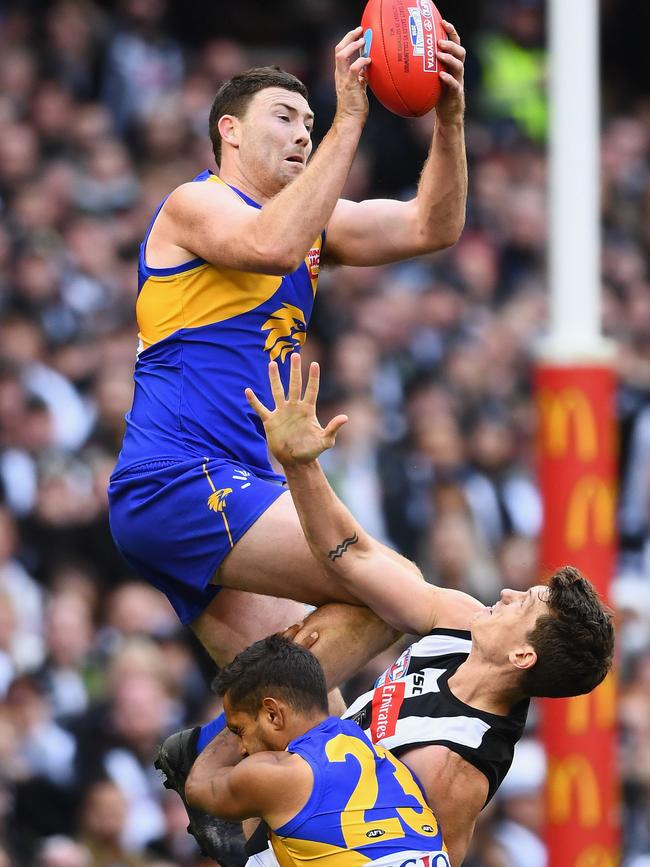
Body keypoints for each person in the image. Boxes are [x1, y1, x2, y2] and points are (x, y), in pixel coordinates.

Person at [107, 22, 468, 672]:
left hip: (241, 481)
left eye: (310, 119)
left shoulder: (314, 226)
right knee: (388, 582)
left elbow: (431, 224)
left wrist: (451, 117)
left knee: (296, 709)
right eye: (286, 116)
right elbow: (269, 247)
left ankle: (204, 760)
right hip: (182, 477)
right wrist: (348, 119)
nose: (304, 131)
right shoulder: (196, 204)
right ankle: (525, 636)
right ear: (230, 130)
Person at [158, 356, 614, 867]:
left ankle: (216, 768)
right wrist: (300, 464)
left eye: (523, 604)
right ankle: (217, 741)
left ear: (524, 655)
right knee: (382, 597)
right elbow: (357, 559)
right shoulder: (463, 620)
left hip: (288, 846)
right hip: (296, 764)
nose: (506, 594)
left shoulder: (452, 770)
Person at [185, 633, 451, 867]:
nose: (241, 748)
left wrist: (222, 731)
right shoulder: (385, 759)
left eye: (239, 731)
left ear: (273, 714)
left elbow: (197, 786)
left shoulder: (282, 775)